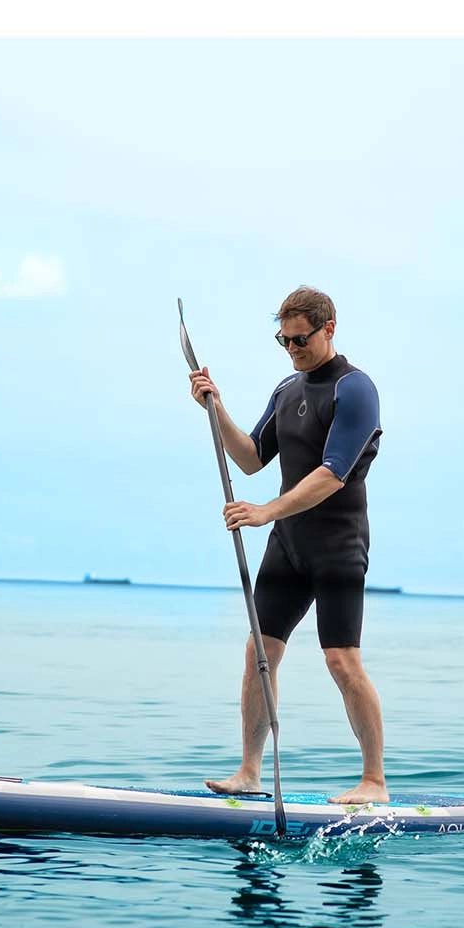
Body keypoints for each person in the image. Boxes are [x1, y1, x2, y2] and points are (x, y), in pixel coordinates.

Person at [187, 288, 388, 806]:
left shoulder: (355, 389)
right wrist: (216, 408)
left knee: (341, 660)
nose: (292, 349)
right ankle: (249, 772)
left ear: (329, 329)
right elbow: (252, 457)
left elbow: (332, 474)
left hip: (338, 546)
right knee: (260, 652)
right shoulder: (286, 389)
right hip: (289, 547)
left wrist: (264, 512)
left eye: (300, 339)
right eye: (284, 340)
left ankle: (374, 780)